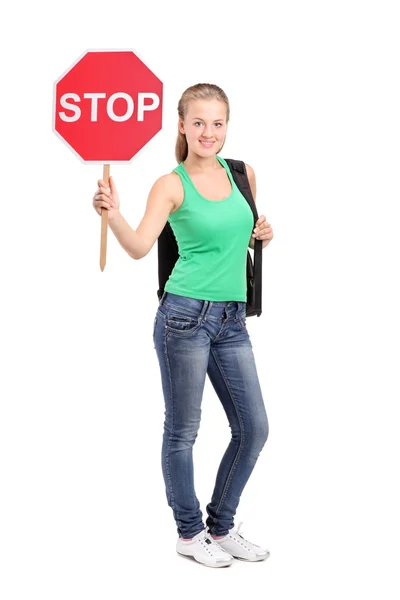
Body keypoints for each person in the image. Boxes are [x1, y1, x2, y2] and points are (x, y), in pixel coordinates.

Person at [92, 83, 274, 568]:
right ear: (182, 125)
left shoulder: (243, 175)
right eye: (198, 123)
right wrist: (112, 214)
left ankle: (222, 524)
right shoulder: (171, 184)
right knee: (183, 431)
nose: (208, 132)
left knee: (253, 428)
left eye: (217, 123)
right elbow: (137, 246)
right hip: (184, 317)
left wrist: (265, 234)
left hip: (232, 320)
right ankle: (190, 533)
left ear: (227, 126)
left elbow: (242, 236)